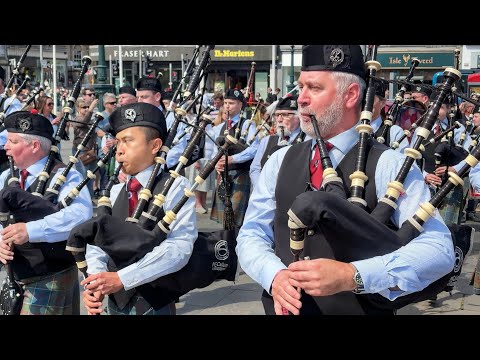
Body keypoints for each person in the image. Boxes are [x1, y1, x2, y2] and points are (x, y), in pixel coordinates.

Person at [235, 45, 454, 315]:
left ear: (350, 95)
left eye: (314, 88)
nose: (300, 99)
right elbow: (252, 234)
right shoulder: (280, 161)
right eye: (301, 87)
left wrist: (353, 275)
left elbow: (439, 250)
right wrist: (274, 275)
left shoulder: (389, 164)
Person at [81, 102, 197, 315]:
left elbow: (180, 247)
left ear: (154, 146)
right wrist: (96, 280)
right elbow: (98, 242)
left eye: (128, 141)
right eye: (117, 142)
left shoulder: (175, 187)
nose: (119, 150)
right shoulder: (115, 192)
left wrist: (122, 279)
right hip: (116, 302)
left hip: (155, 301)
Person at [0, 110, 93, 314]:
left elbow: (80, 215)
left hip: (51, 275)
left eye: (12, 141)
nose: (5, 146)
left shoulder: (64, 175)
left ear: (34, 146)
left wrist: (30, 230)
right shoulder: (7, 175)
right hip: (17, 275)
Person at [210, 89, 259, 227]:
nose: (227, 106)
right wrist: (216, 163)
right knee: (224, 218)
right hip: (223, 176)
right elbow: (215, 149)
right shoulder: (220, 127)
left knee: (236, 217)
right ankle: (227, 242)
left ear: (240, 105)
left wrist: (232, 159)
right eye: (225, 103)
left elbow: (254, 149)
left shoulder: (247, 124)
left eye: (231, 103)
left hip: (240, 174)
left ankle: (236, 243)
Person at [249, 95, 305, 188]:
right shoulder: (267, 141)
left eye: (285, 115)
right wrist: (262, 189)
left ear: (298, 117)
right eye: (277, 115)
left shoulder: (307, 140)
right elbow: (255, 169)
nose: (279, 119)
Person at [371, 80, 409, 152]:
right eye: (362, 100)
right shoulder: (348, 128)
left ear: (382, 103)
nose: (365, 104)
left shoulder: (394, 132)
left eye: (371, 100)